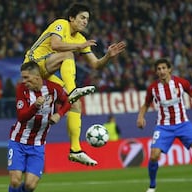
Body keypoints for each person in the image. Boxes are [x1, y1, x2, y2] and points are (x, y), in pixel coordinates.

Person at [24, 3, 126, 166]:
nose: (85, 22)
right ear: (71, 18)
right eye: (82, 18)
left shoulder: (80, 38)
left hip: (45, 75)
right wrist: (78, 47)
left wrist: (107, 56)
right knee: (68, 55)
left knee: (75, 105)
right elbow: (55, 45)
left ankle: (75, 150)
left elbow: (95, 65)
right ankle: (72, 91)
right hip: (32, 66)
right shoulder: (60, 24)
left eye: (87, 19)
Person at [8, 61, 71, 192]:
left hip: (38, 145)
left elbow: (67, 101)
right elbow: (21, 117)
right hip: (18, 141)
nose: (24, 81)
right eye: (23, 78)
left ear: (37, 77)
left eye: (27, 78)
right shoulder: (22, 90)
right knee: (15, 180)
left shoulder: (53, 89)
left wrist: (59, 114)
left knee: (29, 186)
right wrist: (35, 106)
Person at [136, 58, 192, 192]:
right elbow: (145, 104)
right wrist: (140, 117)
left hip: (183, 123)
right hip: (164, 126)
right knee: (153, 156)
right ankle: (152, 186)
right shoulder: (153, 88)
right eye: (159, 69)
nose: (161, 71)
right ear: (156, 72)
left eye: (164, 68)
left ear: (169, 69)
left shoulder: (181, 83)